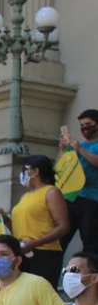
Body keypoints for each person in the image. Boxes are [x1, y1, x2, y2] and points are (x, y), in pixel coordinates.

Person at [0, 155, 70, 288]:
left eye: (24, 169)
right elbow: (21, 229)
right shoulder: (25, 196)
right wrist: (6, 221)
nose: (22, 174)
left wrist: (34, 243)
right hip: (22, 253)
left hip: (44, 254)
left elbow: (63, 226)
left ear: (35, 171)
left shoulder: (51, 192)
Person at [58, 109, 98, 254]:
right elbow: (66, 169)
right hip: (73, 197)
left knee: (90, 241)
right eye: (81, 125)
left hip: (92, 200)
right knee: (60, 241)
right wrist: (65, 151)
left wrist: (80, 150)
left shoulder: (86, 146)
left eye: (88, 124)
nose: (84, 128)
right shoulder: (79, 145)